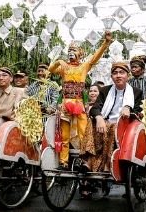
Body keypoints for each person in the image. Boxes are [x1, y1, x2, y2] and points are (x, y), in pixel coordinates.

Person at [48, 31, 113, 169]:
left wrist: (105, 43)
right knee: (64, 135)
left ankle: (85, 161)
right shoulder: (64, 67)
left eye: (74, 50)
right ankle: (63, 162)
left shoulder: (84, 66)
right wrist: (58, 61)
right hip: (65, 104)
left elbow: (95, 58)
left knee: (84, 133)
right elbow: (50, 69)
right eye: (69, 50)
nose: (71, 52)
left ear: (80, 54)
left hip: (79, 104)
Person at [79, 62, 142, 198]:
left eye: (121, 72)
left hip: (123, 127)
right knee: (92, 121)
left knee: (113, 127)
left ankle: (107, 165)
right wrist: (99, 117)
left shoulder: (136, 92)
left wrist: (129, 109)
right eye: (115, 73)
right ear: (112, 76)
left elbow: (138, 112)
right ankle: (87, 163)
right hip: (104, 123)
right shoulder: (105, 90)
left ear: (128, 75)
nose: (118, 76)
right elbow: (95, 108)